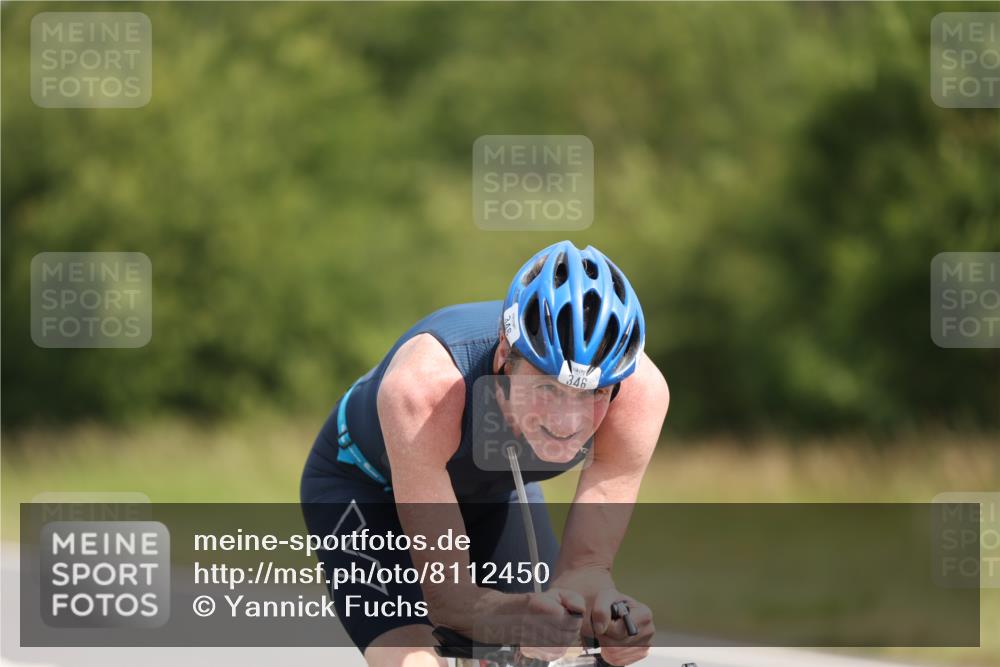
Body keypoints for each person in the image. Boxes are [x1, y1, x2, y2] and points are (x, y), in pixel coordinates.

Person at [301, 240, 670, 667]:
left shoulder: (640, 395)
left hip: (495, 492)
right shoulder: (427, 387)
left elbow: (584, 573)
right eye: (548, 387)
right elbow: (450, 601)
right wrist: (517, 618)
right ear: (503, 359)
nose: (569, 421)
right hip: (361, 485)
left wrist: (609, 619)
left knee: (529, 654)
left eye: (595, 392)